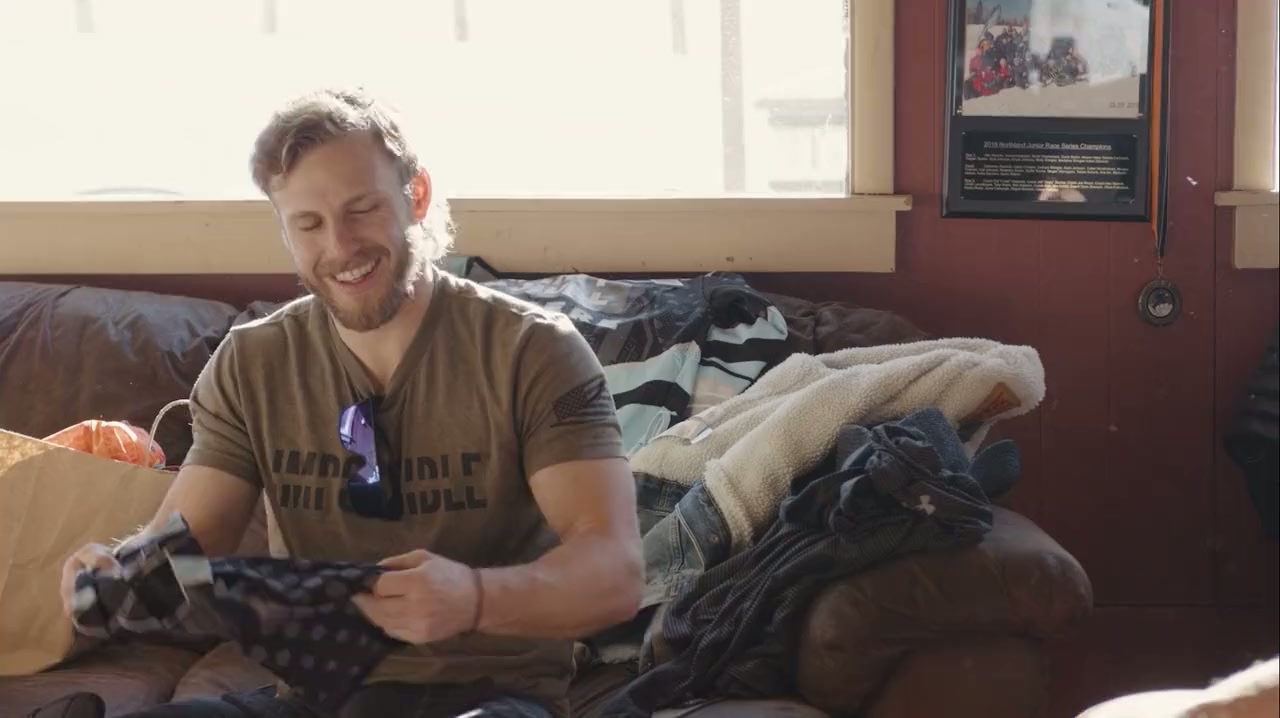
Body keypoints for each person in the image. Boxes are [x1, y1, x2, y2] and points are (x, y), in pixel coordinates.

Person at [53, 87, 644, 718]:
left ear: (416, 195)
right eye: (308, 225)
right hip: (317, 701)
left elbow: (615, 573)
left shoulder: (533, 350)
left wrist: (475, 597)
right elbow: (190, 547)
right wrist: (116, 573)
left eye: (361, 210)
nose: (340, 246)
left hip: (491, 696)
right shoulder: (253, 362)